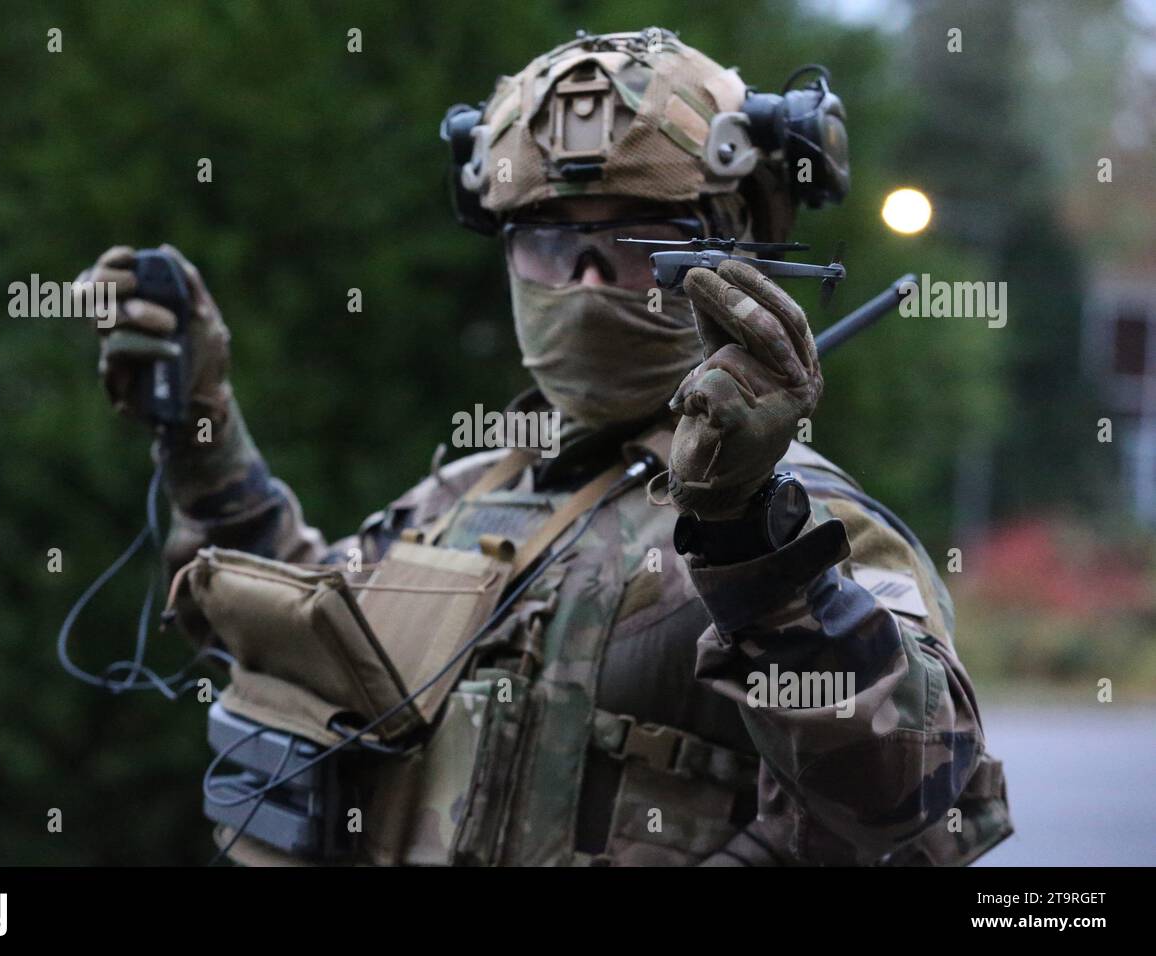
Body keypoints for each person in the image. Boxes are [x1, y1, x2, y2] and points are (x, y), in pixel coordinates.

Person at [75, 28, 1010, 866]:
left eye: (642, 243)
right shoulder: (467, 495)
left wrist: (747, 539)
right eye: (550, 244)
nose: (589, 279)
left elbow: (916, 797)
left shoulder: (801, 521)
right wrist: (201, 432)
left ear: (737, 249)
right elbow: (312, 646)